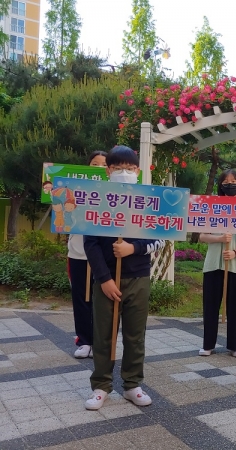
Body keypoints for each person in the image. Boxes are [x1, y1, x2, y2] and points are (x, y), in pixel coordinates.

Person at [83, 145, 165, 411]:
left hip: (138, 277)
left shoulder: (151, 201)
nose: (124, 172)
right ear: (109, 171)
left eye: (129, 169)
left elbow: (161, 238)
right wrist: (104, 279)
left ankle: (132, 385)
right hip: (106, 280)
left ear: (137, 171)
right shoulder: (97, 199)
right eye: (118, 168)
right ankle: (101, 385)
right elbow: (91, 243)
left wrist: (134, 248)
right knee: (103, 334)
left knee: (134, 335)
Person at [198, 169, 236, 357]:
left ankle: (234, 345)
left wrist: (235, 252)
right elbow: (202, 236)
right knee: (211, 305)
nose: (230, 184)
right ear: (220, 185)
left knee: (235, 306)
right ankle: (208, 344)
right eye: (226, 181)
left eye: (234, 181)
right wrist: (220, 238)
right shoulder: (212, 206)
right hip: (213, 263)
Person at [69, 150, 107, 359]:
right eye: (95, 164)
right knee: (81, 298)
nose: (99, 168)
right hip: (78, 253)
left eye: (104, 165)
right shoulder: (75, 189)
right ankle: (84, 341)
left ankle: (101, 341)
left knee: (101, 299)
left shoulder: (117, 191)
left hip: (104, 255)